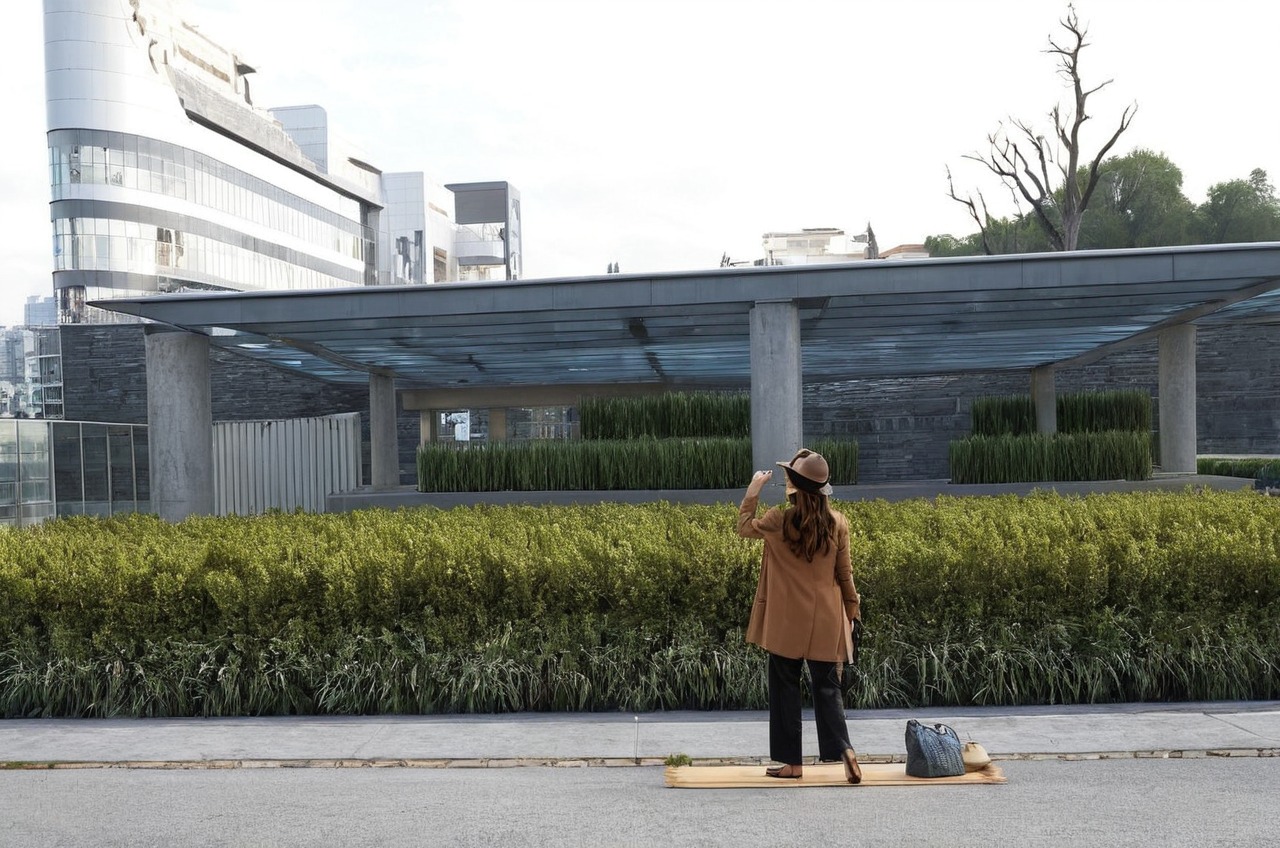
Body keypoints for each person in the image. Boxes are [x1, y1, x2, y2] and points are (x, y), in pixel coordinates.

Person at [737, 448, 863, 783]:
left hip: (786, 620)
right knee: (827, 687)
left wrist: (754, 489)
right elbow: (845, 573)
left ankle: (791, 764)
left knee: (784, 687)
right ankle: (845, 749)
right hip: (827, 618)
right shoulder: (838, 522)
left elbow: (744, 527)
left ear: (793, 485)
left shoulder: (779, 520)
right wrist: (852, 611)